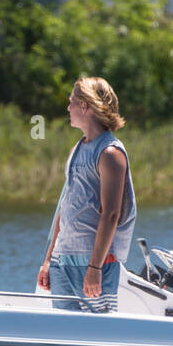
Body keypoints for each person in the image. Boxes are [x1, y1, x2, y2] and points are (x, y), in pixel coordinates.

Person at [37, 76, 136, 312]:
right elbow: (66, 205)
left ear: (85, 106)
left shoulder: (110, 152)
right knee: (63, 334)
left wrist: (95, 268)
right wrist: (49, 259)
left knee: (96, 333)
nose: (67, 107)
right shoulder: (77, 148)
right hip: (64, 259)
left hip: (93, 263)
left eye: (72, 102)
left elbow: (111, 214)